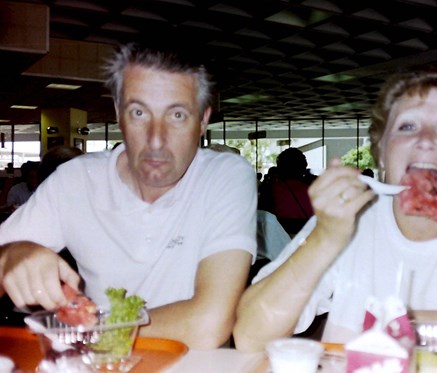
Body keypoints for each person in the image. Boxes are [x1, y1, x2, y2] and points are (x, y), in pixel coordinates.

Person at [234, 68, 437, 364]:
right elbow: (250, 335)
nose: (425, 139)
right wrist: (326, 237)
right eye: (408, 126)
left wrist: (427, 327)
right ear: (383, 151)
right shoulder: (350, 220)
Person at [0, 42, 257, 349]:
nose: (156, 139)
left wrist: (88, 331)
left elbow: (209, 325)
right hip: (100, 365)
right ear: (118, 114)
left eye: (177, 115)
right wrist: (8, 257)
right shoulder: (76, 180)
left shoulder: (225, 175)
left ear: (202, 120)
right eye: (139, 112)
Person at [258, 148, 314, 236]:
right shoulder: (314, 189)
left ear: (280, 168)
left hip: (280, 240)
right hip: (309, 238)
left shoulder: (270, 189)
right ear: (304, 167)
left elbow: (262, 217)